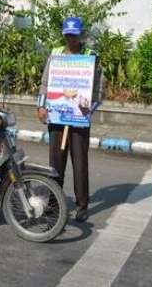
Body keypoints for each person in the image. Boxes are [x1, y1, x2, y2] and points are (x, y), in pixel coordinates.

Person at [36, 17, 103, 223]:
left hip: (79, 119)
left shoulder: (91, 57)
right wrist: (41, 105)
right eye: (67, 34)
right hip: (57, 117)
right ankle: (54, 203)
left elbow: (99, 90)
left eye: (74, 35)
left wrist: (86, 111)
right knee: (55, 163)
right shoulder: (56, 54)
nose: (70, 38)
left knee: (79, 163)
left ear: (81, 35)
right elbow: (46, 82)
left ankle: (82, 205)